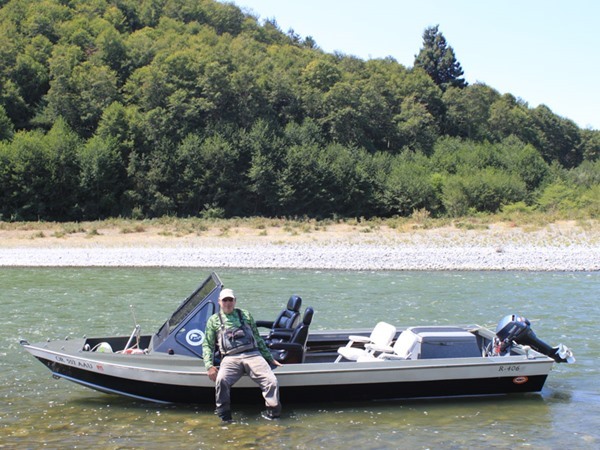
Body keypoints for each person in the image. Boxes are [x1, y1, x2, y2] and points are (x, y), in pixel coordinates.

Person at [202, 288, 282, 423]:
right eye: (225, 300)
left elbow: (257, 337)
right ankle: (225, 417)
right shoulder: (213, 320)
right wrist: (209, 366)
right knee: (221, 380)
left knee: (271, 381)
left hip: (253, 355)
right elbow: (207, 344)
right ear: (219, 302)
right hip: (230, 358)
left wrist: (269, 358)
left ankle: (273, 415)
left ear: (235, 301)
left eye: (230, 300)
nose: (228, 303)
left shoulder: (246, 315)